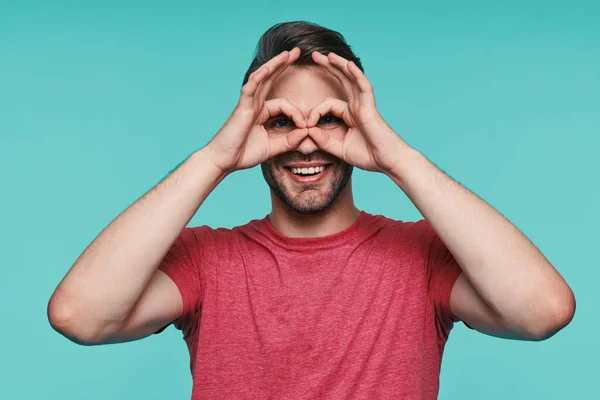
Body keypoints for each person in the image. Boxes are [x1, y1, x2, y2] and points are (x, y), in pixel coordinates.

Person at [47, 21, 575, 399]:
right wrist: (214, 159)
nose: (306, 144)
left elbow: (542, 313)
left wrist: (397, 159)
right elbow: (80, 317)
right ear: (254, 129)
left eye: (329, 119)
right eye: (281, 122)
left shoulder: (424, 256)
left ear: (359, 123)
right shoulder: (206, 260)